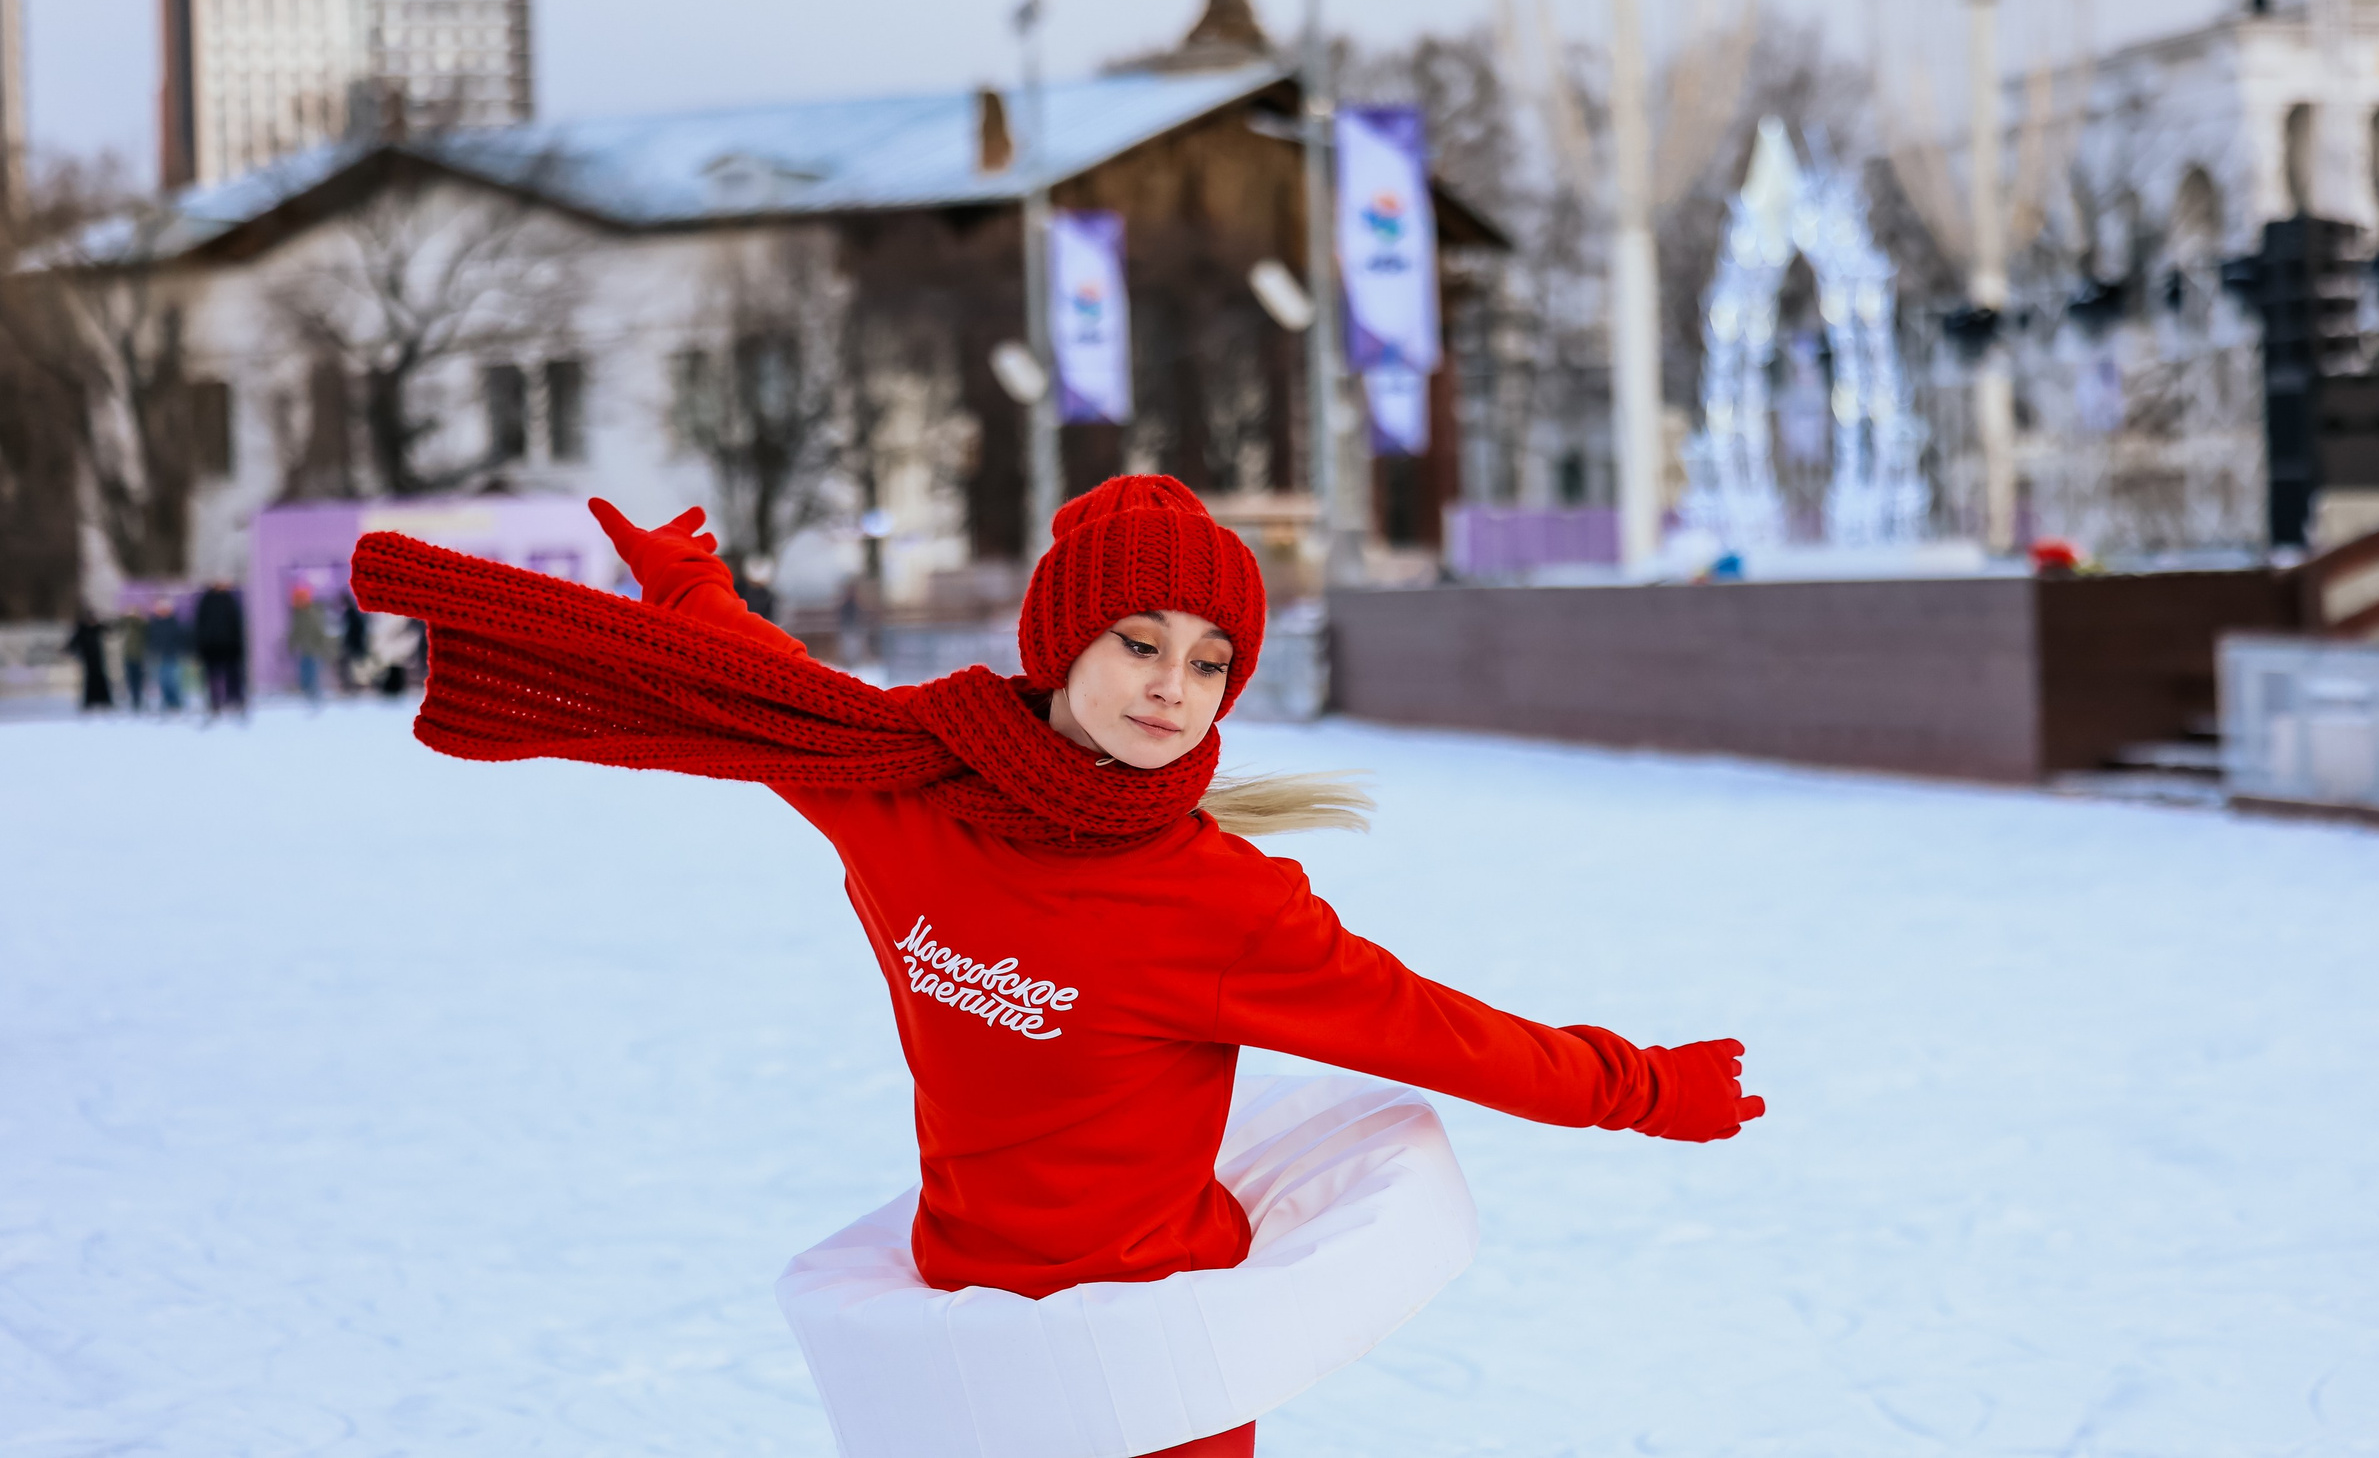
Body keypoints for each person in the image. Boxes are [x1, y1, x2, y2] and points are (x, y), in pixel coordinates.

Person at [351, 478, 1763, 1458]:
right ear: (1058, 638)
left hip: (1158, 1372)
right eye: (1138, 642)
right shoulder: (904, 790)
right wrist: (692, 588)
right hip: (956, 1349)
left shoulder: (1220, 902)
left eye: (1210, 662)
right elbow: (778, 696)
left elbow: (1435, 1032)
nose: (1171, 685)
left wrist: (1634, 1083)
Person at [192, 579, 247, 721]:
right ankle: (214, 702)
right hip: (211, 645)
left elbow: (237, 623)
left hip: (229, 644)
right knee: (212, 675)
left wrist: (238, 643)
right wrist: (200, 645)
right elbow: (200, 624)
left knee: (232, 674)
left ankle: (234, 700)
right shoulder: (206, 600)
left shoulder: (230, 599)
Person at [286, 584, 330, 705]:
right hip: (305, 649)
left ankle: (314, 697)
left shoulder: (311, 613)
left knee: (312, 674)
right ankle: (309, 696)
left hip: (313, 649)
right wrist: (291, 645)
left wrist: (322, 646)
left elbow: (318, 631)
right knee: (306, 674)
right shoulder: (298, 615)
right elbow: (295, 632)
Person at [63, 608, 115, 711]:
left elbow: (109, 629)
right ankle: (90, 701)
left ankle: (104, 700)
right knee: (90, 679)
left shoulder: (96, 627)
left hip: (98, 658)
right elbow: (74, 641)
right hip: (88, 658)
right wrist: (67, 649)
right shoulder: (82, 628)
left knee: (100, 678)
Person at [145, 597, 190, 713]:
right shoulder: (154, 622)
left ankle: (175, 702)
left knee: (173, 680)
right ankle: (167, 702)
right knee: (162, 680)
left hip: (172, 654)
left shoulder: (174, 622)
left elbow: (180, 638)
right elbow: (151, 638)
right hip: (159, 655)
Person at [116, 608, 150, 711]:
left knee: (139, 680)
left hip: (139, 657)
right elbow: (118, 625)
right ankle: (135, 699)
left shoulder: (141, 625)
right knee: (130, 680)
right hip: (128, 656)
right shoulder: (127, 625)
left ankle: (138, 699)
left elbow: (144, 627)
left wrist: (134, 619)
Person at [336, 590, 370, 692]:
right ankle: (353, 687)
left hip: (353, 644)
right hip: (355, 643)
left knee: (353, 667)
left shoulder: (351, 614)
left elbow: (354, 630)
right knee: (353, 667)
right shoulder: (354, 613)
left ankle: (353, 687)